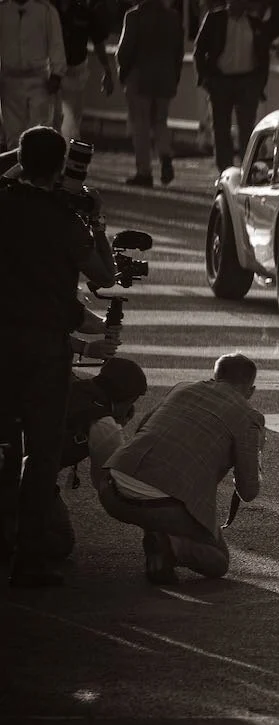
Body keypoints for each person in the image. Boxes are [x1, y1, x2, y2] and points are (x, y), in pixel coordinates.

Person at [0, 126, 117, 587]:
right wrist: (98, 222)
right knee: (41, 452)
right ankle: (29, 558)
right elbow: (104, 275)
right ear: (59, 168)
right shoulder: (66, 220)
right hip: (46, 349)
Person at [100, 354, 265, 585]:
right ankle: (169, 547)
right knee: (218, 560)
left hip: (112, 487)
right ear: (251, 390)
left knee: (162, 482)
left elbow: (142, 429)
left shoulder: (182, 388)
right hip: (162, 505)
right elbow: (248, 491)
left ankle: (160, 546)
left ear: (214, 377)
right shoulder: (249, 418)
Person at [45, 357, 149, 562]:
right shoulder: (103, 424)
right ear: (127, 399)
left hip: (16, 457)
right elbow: (107, 480)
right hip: (25, 477)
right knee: (59, 542)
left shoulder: (74, 385)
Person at [194, 0, 272, 172]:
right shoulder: (215, 19)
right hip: (220, 80)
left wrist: (259, 85)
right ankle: (225, 170)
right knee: (221, 129)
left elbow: (264, 57)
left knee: (247, 130)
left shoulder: (254, 23)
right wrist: (205, 78)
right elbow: (199, 50)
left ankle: (247, 170)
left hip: (247, 82)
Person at [116, 0, 184, 187]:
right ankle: (165, 155)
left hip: (139, 77)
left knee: (141, 124)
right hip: (165, 77)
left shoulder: (134, 16)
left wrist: (123, 73)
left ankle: (144, 172)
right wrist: (174, 76)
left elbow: (124, 51)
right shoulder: (173, 17)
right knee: (161, 121)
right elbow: (179, 51)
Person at [0, 0, 66, 145]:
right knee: (13, 134)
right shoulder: (3, 10)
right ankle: (16, 166)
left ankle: (36, 165)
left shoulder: (46, 11)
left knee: (38, 131)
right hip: (9, 82)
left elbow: (56, 43)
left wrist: (57, 73)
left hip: (39, 80)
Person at [51, 0, 115, 141]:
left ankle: (67, 155)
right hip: (51, 72)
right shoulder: (49, 11)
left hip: (75, 72)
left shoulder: (84, 14)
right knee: (51, 118)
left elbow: (98, 43)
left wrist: (107, 71)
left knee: (72, 120)